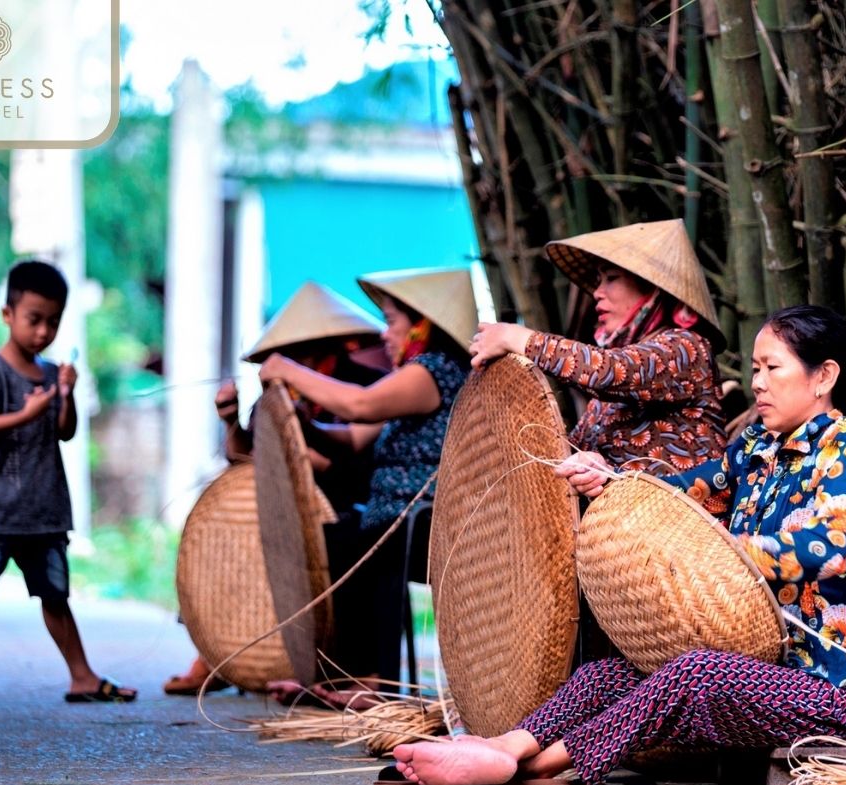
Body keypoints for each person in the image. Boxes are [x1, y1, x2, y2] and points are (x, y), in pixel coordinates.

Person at [387, 305, 846, 785]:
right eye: (755, 369)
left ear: (823, 376)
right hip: (763, 672)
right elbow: (685, 491)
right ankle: (507, 746)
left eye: (772, 368)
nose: (757, 382)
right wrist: (612, 480)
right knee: (607, 675)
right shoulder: (757, 446)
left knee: (698, 671)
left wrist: (723, 556)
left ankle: (539, 766)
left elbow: (828, 547)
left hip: (835, 690)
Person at [260, 267, 475, 709]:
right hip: (392, 519)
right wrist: (301, 421)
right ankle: (354, 674)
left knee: (372, 542)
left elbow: (358, 405)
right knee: (336, 540)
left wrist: (287, 369)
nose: (385, 335)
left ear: (422, 326)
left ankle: (381, 683)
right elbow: (350, 439)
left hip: (427, 521)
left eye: (393, 321)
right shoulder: (407, 379)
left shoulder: (432, 371)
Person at [0, 261, 136, 707]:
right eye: (33, 319)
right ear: (8, 315)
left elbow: (65, 430)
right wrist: (27, 411)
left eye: (53, 322)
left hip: (42, 510)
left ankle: (82, 676)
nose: (43, 332)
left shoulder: (50, 373)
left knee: (55, 595)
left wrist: (67, 394)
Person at [164, 281, 388, 696]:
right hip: (279, 505)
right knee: (225, 538)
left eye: (304, 352)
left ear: (332, 344)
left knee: (336, 538)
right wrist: (232, 421)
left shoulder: (363, 383)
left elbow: (344, 456)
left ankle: (331, 667)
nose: (294, 361)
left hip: (343, 502)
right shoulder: (276, 396)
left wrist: (300, 429)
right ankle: (215, 654)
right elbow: (246, 459)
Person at [468, 219, 726, 477]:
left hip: (678, 513)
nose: (597, 292)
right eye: (598, 280)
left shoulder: (687, 347)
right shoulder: (603, 401)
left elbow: (610, 371)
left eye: (611, 278)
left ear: (653, 289)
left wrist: (516, 337)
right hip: (617, 514)